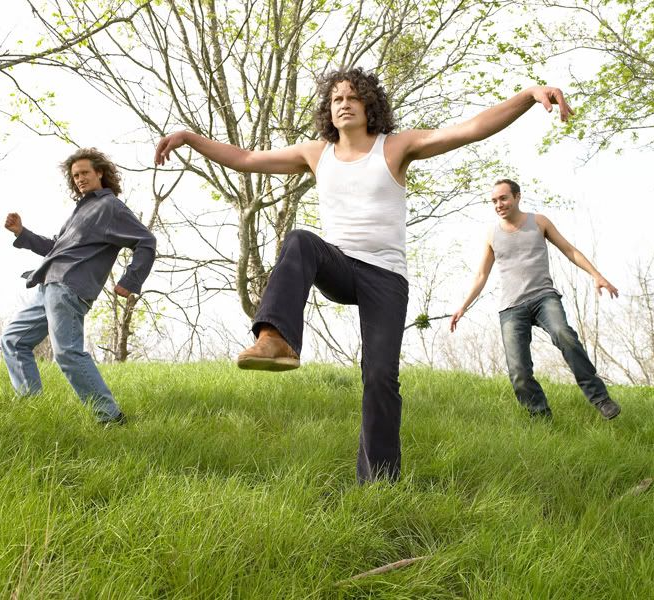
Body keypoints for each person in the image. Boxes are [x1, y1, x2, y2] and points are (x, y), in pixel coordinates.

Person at [154, 68, 573, 482]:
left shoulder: (395, 147)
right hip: (339, 265)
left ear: (369, 105)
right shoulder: (316, 153)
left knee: (379, 377)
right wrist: (190, 138)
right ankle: (276, 339)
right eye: (336, 99)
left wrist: (527, 95)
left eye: (352, 97)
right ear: (328, 110)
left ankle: (379, 483)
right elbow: (245, 160)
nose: (344, 104)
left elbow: (469, 130)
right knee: (299, 239)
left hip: (386, 279)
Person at [0, 148, 156, 424]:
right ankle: (31, 409)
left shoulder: (110, 207)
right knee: (14, 340)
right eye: (75, 175)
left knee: (67, 353)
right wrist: (22, 234)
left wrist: (130, 279)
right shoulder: (81, 209)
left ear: (100, 173)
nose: (80, 179)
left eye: (84, 173)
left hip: (69, 287)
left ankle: (110, 417)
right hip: (48, 284)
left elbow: (145, 241)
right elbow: (55, 248)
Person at [450, 178, 621, 420]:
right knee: (518, 371)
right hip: (511, 307)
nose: (499, 204)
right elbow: (481, 275)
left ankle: (600, 399)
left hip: (543, 297)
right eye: (494, 201)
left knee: (564, 335)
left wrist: (597, 275)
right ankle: (540, 418)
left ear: (517, 197)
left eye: (503, 198)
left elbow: (569, 250)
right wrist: (462, 307)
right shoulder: (492, 234)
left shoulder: (538, 222)